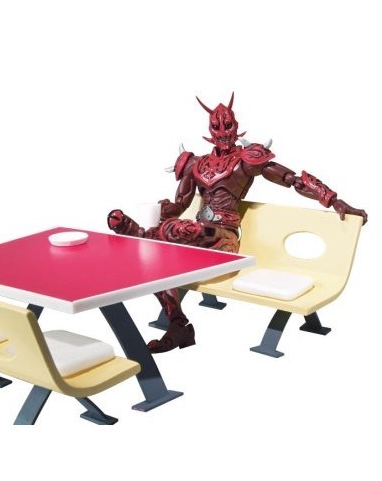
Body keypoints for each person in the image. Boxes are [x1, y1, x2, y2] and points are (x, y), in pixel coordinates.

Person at [107, 94, 368, 353]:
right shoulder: (196, 164)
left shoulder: (246, 160)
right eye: (217, 126)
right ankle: (179, 325)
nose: (223, 131)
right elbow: (179, 205)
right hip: (195, 242)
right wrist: (161, 209)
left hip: (224, 239)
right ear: (210, 129)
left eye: (227, 125)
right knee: (160, 255)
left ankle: (140, 234)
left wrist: (335, 201)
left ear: (235, 125)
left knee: (181, 229)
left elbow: (293, 180)